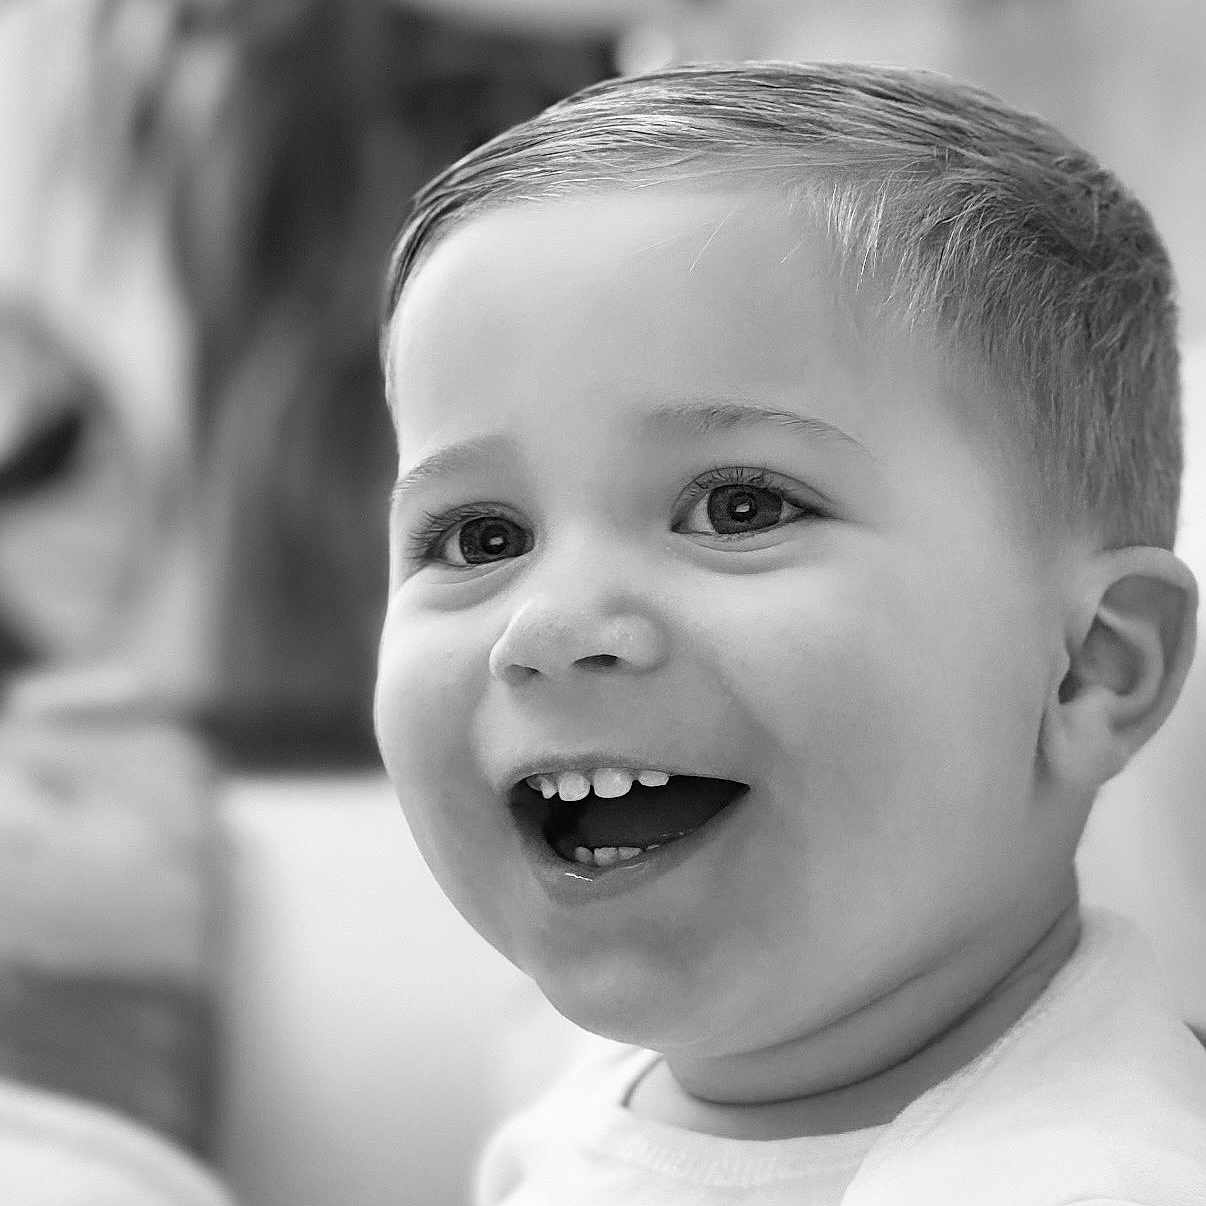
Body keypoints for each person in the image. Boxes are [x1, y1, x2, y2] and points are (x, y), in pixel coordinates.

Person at [373, 61, 1206, 1204]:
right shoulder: (580, 1120)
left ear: (1092, 668)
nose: (549, 623)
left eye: (739, 508)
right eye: (479, 537)